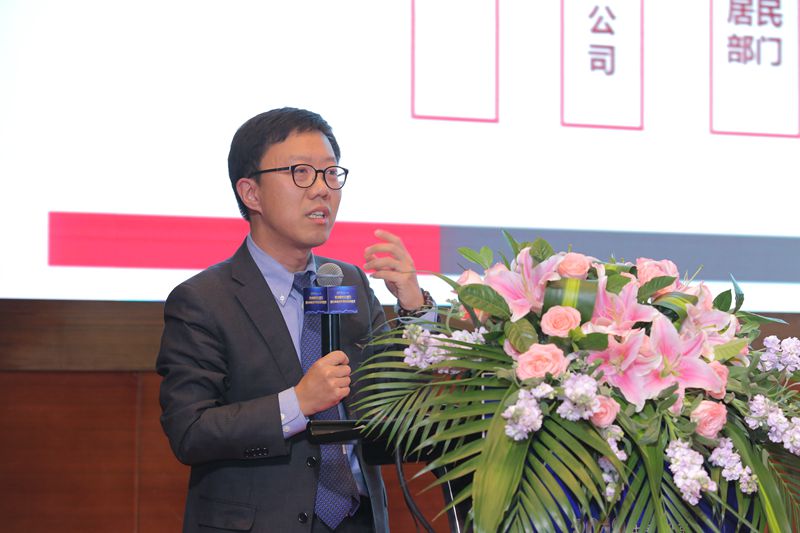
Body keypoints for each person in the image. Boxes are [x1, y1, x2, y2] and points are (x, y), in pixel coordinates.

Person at [156, 107, 434, 532]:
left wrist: (414, 308)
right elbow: (190, 431)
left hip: (358, 521)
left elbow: (394, 404)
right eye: (301, 173)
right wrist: (298, 403)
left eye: (330, 174)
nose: (322, 190)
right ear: (251, 193)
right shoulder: (204, 300)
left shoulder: (351, 283)